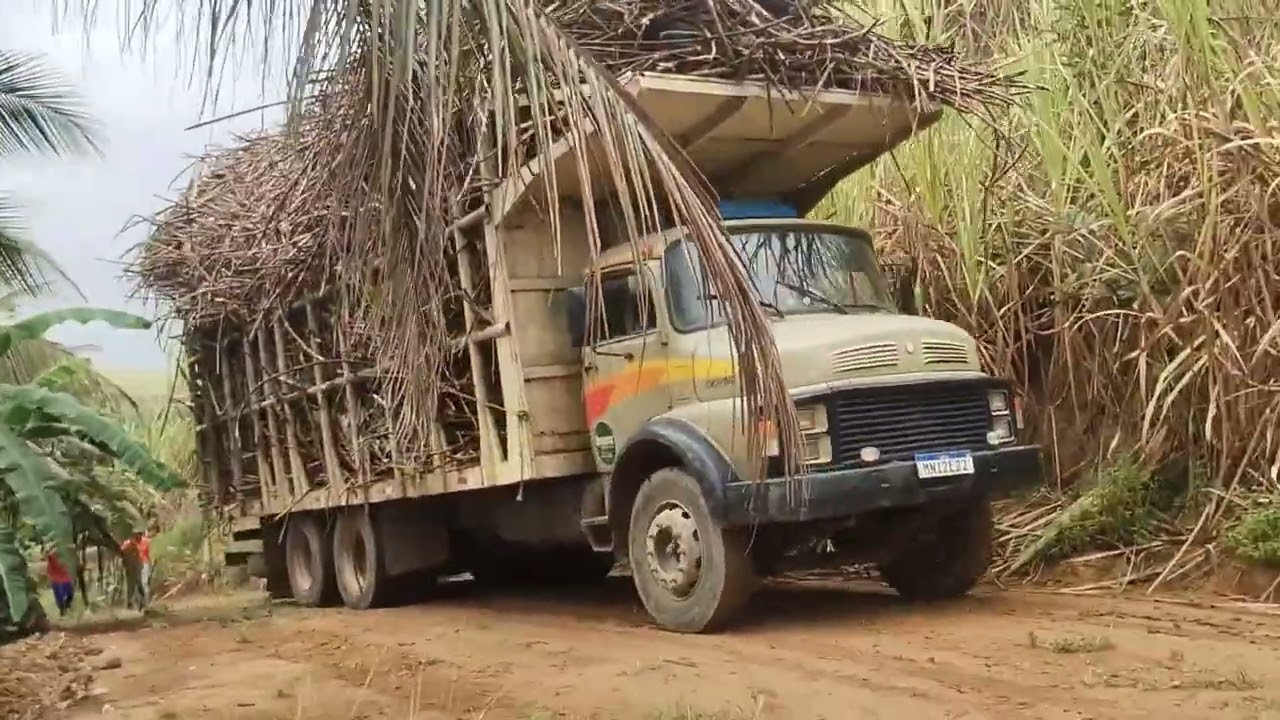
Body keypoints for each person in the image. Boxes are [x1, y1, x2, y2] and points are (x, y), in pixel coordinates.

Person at [120, 529, 153, 609]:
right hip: (134, 565)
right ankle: (134, 602)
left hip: (144, 563)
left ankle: (146, 603)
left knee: (144, 583)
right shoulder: (129, 543)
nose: (136, 536)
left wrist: (151, 565)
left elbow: (150, 554)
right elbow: (121, 551)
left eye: (138, 534)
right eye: (134, 534)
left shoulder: (147, 542)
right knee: (135, 584)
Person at [45, 550, 74, 616]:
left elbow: (49, 571)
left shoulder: (52, 556)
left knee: (61, 597)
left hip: (59, 580)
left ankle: (63, 609)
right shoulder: (63, 555)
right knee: (68, 595)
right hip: (63, 579)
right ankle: (65, 608)